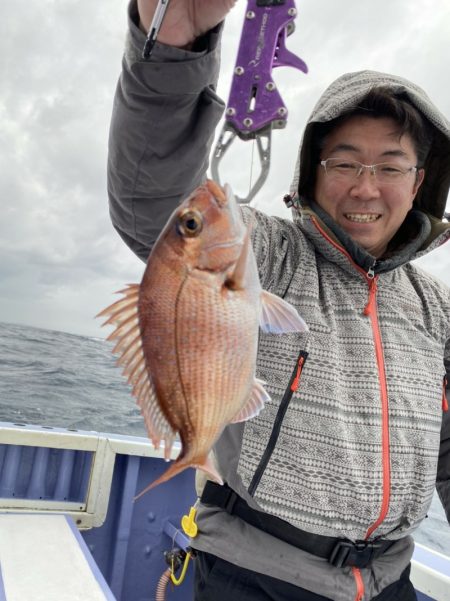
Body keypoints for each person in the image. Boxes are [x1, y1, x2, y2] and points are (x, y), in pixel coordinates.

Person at [107, 1, 450, 599]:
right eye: (344, 162)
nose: (365, 187)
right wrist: (176, 41)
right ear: (311, 172)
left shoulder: (435, 307)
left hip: (391, 580)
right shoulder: (271, 254)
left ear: (418, 181)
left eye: (390, 166)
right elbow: (153, 200)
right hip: (254, 574)